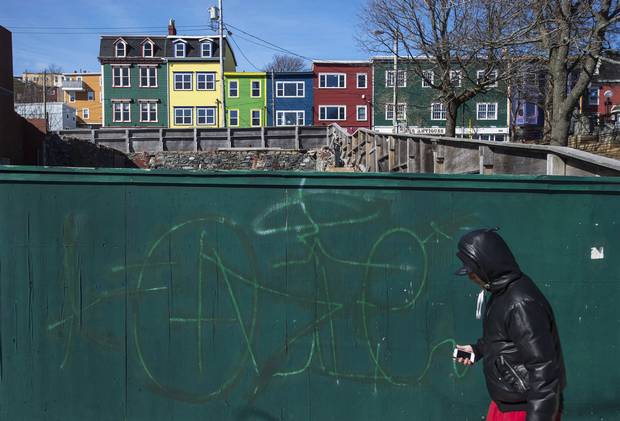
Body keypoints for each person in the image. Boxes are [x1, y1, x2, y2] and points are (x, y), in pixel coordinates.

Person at [454, 228, 566, 421]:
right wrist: (477, 350)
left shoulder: (520, 303)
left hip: (527, 408)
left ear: (487, 265)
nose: (470, 277)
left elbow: (544, 368)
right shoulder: (501, 293)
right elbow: (503, 340)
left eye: (472, 270)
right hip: (507, 403)